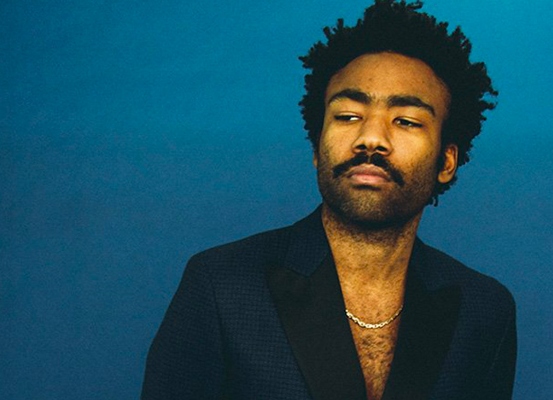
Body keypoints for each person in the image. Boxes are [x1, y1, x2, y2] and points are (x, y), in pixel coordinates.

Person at [141, 1, 516, 399]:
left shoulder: (484, 310)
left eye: (406, 120)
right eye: (348, 116)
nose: (371, 138)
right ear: (318, 148)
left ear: (446, 161)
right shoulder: (222, 285)